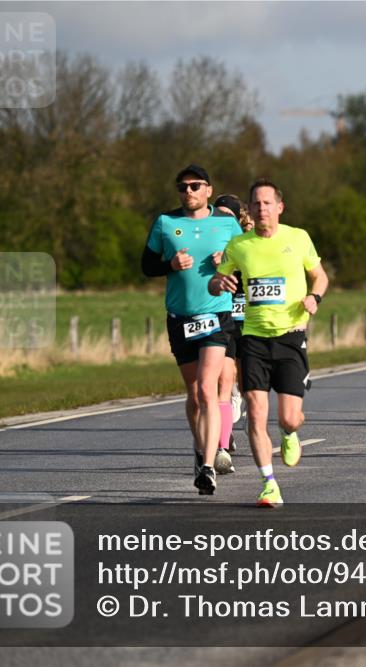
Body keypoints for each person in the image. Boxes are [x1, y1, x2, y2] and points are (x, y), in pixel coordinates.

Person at [210, 178, 329, 507]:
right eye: (255, 203)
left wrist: (314, 297)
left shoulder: (298, 237)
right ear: (248, 209)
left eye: (267, 203)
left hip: (290, 337)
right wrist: (219, 282)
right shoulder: (239, 246)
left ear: (279, 207)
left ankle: (290, 433)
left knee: (289, 417)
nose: (261, 208)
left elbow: (320, 276)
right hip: (253, 339)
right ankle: (268, 483)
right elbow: (215, 283)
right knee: (257, 412)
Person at [142, 165, 241, 495]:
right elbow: (146, 265)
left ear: (209, 190)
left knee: (206, 388)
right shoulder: (165, 223)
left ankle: (210, 466)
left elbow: (246, 266)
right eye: (182, 187)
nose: (188, 192)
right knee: (194, 395)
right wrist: (169, 265)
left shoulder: (227, 224)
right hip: (180, 317)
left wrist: (226, 263)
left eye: (195, 186)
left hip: (217, 314)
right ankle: (201, 450)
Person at [213, 194, 250, 457]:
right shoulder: (208, 239)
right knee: (222, 380)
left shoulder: (247, 242)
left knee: (247, 378)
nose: (222, 217)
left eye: (228, 214)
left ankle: (248, 402)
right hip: (223, 318)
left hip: (248, 319)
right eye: (219, 212)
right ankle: (223, 441)